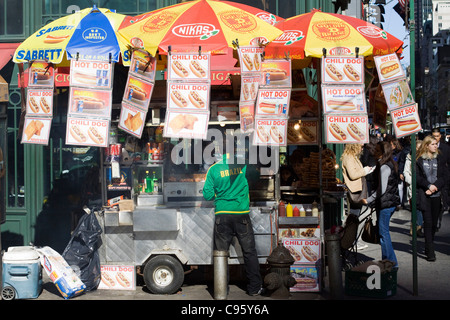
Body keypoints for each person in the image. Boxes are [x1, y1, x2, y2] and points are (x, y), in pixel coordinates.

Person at [203, 152, 264, 296]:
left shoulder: (213, 169)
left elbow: (208, 195)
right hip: (241, 214)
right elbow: (257, 177)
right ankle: (254, 288)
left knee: (221, 254)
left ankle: (222, 290)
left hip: (222, 215)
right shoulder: (243, 164)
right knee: (249, 252)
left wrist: (220, 193)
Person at [365, 141, 400, 267]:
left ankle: (390, 262)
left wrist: (369, 200)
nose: (374, 152)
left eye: (377, 150)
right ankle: (389, 260)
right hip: (387, 202)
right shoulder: (387, 164)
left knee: (383, 234)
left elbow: (381, 189)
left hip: (386, 204)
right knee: (383, 233)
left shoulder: (385, 166)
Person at [416, 135, 447, 261]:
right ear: (427, 145)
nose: (436, 146)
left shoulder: (440, 158)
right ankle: (430, 251)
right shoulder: (419, 160)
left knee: (434, 224)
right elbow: (417, 178)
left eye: (436, 144)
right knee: (428, 223)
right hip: (425, 195)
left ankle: (429, 245)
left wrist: (435, 186)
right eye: (433, 144)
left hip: (437, 195)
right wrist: (428, 186)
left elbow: (445, 176)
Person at [341, 143, 374, 216]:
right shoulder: (349, 157)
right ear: (354, 146)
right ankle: (351, 227)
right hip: (355, 191)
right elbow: (353, 175)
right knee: (354, 214)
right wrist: (365, 171)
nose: (362, 149)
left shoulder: (353, 157)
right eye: (361, 147)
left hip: (358, 190)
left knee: (355, 214)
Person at [403, 139, 424, 237]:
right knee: (416, 209)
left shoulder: (425, 158)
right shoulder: (410, 157)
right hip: (413, 187)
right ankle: (416, 228)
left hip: (423, 187)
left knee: (421, 209)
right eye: (417, 147)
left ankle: (418, 227)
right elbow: (406, 172)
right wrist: (412, 181)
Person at [431, 128, 450, 221]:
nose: (436, 138)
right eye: (434, 136)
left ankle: (438, 219)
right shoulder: (428, 147)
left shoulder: (445, 148)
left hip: (443, 177)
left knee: (442, 201)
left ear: (440, 136)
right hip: (431, 176)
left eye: (437, 136)